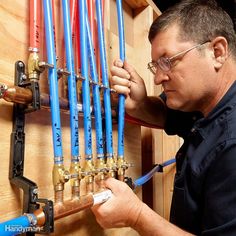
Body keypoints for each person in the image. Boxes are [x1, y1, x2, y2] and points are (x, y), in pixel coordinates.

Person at [92, 0, 236, 235]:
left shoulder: (231, 144)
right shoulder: (207, 104)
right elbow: (171, 115)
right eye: (155, 65)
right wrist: (139, 104)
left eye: (167, 61)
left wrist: (136, 215)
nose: (158, 78)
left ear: (217, 52)